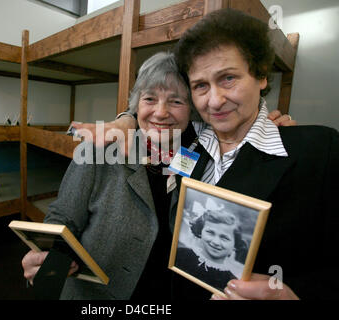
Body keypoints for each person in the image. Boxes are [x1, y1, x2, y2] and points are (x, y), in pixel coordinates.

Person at [74, 9, 339, 300]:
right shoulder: (191, 145)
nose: (214, 100)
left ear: (261, 75)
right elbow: (152, 115)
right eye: (200, 86)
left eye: (228, 79)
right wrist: (124, 119)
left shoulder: (320, 150)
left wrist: (292, 294)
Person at [22, 51, 198, 299]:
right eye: (149, 99)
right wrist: (47, 255)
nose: (160, 112)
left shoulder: (199, 155)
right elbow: (63, 217)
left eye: (176, 101)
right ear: (136, 106)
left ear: (192, 110)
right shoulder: (99, 149)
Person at [176, 209, 245, 292]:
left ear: (235, 245)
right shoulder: (179, 254)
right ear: (200, 232)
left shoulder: (231, 282)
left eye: (224, 238)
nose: (216, 242)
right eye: (210, 232)